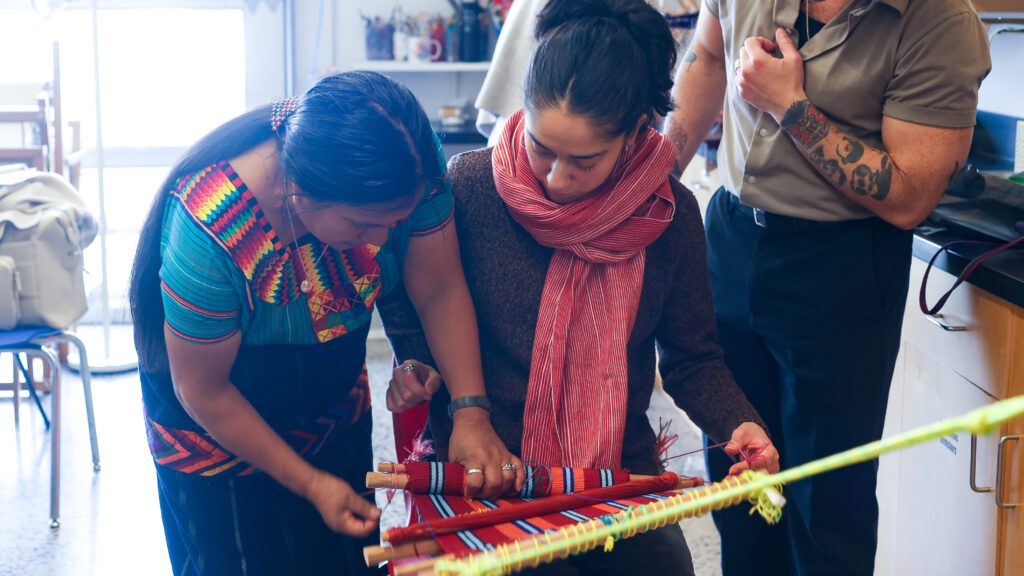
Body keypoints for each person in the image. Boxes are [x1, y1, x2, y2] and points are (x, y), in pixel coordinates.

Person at [378, 1, 779, 573]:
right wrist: (415, 362)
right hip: (487, 473)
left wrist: (739, 423)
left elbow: (692, 358)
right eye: (541, 147)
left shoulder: (668, 214)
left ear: (634, 133)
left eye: (584, 162)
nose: (555, 178)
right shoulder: (470, 186)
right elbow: (410, 290)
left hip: (611, 478)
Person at [128, 71, 522, 576]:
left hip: (331, 409)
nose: (382, 241)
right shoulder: (211, 228)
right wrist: (311, 484)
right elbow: (202, 391)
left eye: (395, 222)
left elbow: (439, 289)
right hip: (219, 433)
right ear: (299, 194)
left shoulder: (407, 172)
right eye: (362, 224)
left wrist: (471, 413)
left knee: (342, 560)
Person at [663, 1, 991, 574]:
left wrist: (790, 106)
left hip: (840, 264)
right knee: (740, 486)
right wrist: (652, 180)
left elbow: (910, 196)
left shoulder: (941, 22)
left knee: (827, 508)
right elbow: (709, 56)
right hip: (731, 236)